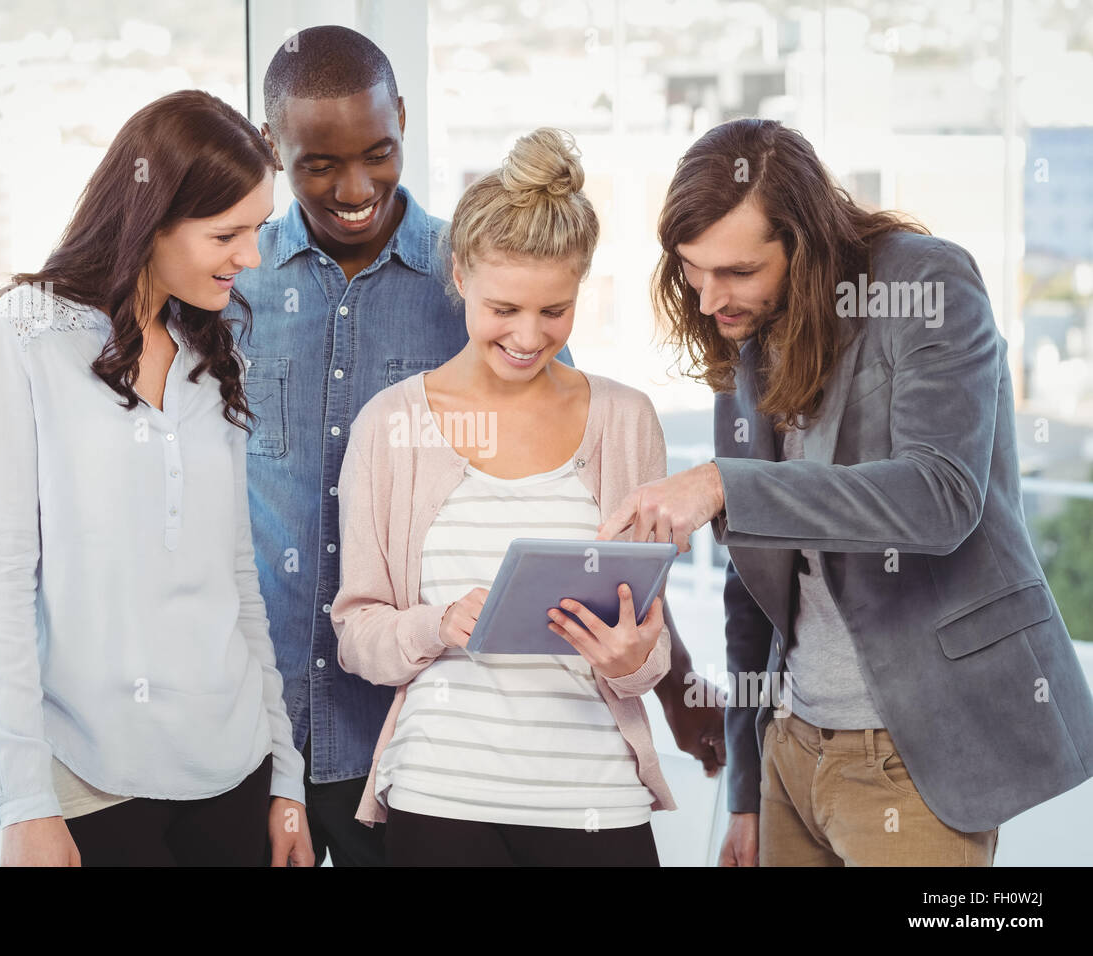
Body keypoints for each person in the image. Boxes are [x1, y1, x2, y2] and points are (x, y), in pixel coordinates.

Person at [234, 24, 724, 867]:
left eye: (378, 151)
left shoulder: (489, 273)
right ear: (274, 148)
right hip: (276, 724)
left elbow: (605, 550)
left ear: (405, 123)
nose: (356, 186)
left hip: (419, 745)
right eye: (320, 164)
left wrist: (668, 679)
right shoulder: (233, 283)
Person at [600, 117, 1093, 866]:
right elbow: (752, 588)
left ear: (805, 244)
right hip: (790, 752)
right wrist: (744, 787)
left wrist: (724, 483)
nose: (708, 300)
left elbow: (939, 495)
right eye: (693, 271)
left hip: (914, 760)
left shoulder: (928, 284)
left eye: (736, 271)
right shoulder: (745, 332)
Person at [0, 90, 314, 867]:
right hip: (92, 779)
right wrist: (21, 804)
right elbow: (0, 581)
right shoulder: (22, 337)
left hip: (235, 768)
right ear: (152, 219)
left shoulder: (210, 354)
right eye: (227, 233)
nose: (251, 256)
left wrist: (288, 775)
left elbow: (238, 580)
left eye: (258, 229)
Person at [331, 128, 679, 866]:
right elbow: (356, 633)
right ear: (458, 274)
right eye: (504, 309)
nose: (528, 336)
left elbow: (652, 652)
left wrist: (626, 659)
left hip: (597, 798)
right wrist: (437, 626)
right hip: (441, 796)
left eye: (555, 311)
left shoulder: (626, 421)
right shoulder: (392, 424)